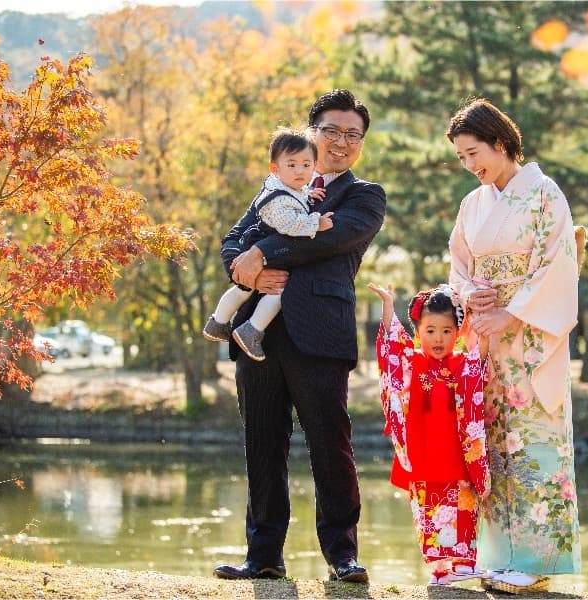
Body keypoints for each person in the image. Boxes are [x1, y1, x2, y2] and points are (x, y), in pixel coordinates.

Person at [212, 89, 386, 584]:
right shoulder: (275, 186)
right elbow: (232, 240)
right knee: (262, 442)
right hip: (256, 332)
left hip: (321, 334)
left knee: (330, 445)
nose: (341, 142)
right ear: (311, 133)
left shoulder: (363, 196)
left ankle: (342, 556)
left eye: (353, 134)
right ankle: (263, 555)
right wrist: (243, 270)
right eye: (330, 131)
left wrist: (262, 253)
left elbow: (329, 239)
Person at [446, 98, 582, 594]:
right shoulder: (472, 204)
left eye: (474, 152)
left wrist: (512, 311)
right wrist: (468, 293)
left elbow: (558, 264)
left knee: (533, 437)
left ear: (501, 143)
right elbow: (459, 265)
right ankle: (500, 555)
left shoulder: (545, 195)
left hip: (529, 336)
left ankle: (537, 560)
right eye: (461, 158)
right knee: (492, 443)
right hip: (485, 339)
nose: (470, 164)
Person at [367, 282, 490, 586]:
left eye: (447, 330)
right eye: (430, 330)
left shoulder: (461, 363)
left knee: (461, 504)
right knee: (428, 509)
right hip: (423, 451)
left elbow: (480, 361)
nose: (438, 338)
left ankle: (464, 562)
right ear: (418, 330)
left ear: (458, 332)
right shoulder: (412, 362)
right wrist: (387, 305)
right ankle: (440, 567)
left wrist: (484, 323)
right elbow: (392, 347)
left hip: (454, 450)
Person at [203, 127, 332, 361]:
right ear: (275, 168)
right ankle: (252, 329)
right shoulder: (278, 198)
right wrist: (316, 222)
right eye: (291, 165)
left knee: (244, 288)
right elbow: (290, 225)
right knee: (277, 291)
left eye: (306, 165)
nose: (300, 171)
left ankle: (218, 322)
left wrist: (308, 194)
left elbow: (296, 195)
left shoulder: (287, 188)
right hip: (266, 248)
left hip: (259, 245)